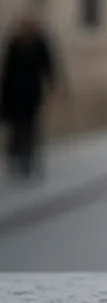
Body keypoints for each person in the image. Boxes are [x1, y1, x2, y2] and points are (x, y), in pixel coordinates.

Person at [0, 14, 61, 180]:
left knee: (31, 127)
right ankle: (16, 159)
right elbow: (7, 71)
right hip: (14, 94)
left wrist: (54, 85)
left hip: (32, 94)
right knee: (16, 128)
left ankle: (28, 160)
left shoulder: (40, 44)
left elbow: (49, 66)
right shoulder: (15, 44)